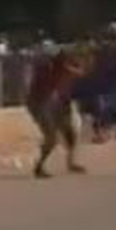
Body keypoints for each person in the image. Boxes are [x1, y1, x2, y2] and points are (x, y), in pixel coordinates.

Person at [26, 45, 87, 179]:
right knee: (51, 138)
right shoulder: (49, 70)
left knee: (70, 133)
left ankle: (70, 163)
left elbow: (77, 74)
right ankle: (39, 166)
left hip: (54, 103)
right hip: (40, 104)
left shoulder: (59, 69)